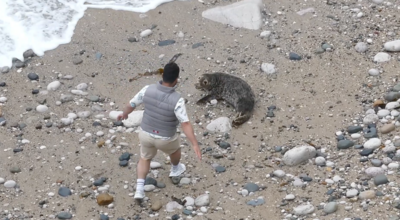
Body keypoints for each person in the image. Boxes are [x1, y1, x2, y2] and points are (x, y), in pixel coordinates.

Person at [117, 62, 202, 201]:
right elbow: (185, 123)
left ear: (162, 75)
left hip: (145, 133)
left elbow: (131, 104)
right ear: (176, 79)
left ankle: (139, 189)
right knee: (175, 151)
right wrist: (194, 144)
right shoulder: (177, 99)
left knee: (145, 158)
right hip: (165, 138)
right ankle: (175, 170)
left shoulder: (147, 89)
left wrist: (124, 114)